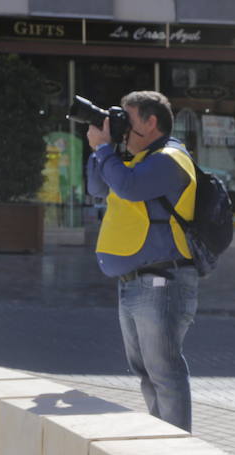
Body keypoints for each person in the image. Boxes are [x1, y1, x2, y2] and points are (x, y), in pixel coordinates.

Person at [85, 91, 198, 432]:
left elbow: (130, 188)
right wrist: (102, 149)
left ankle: (178, 447)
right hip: (133, 283)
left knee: (163, 371)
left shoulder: (170, 159)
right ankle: (162, 436)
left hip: (161, 282)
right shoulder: (131, 161)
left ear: (151, 122)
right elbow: (96, 187)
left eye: (127, 121)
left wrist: (105, 150)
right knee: (146, 372)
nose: (121, 128)